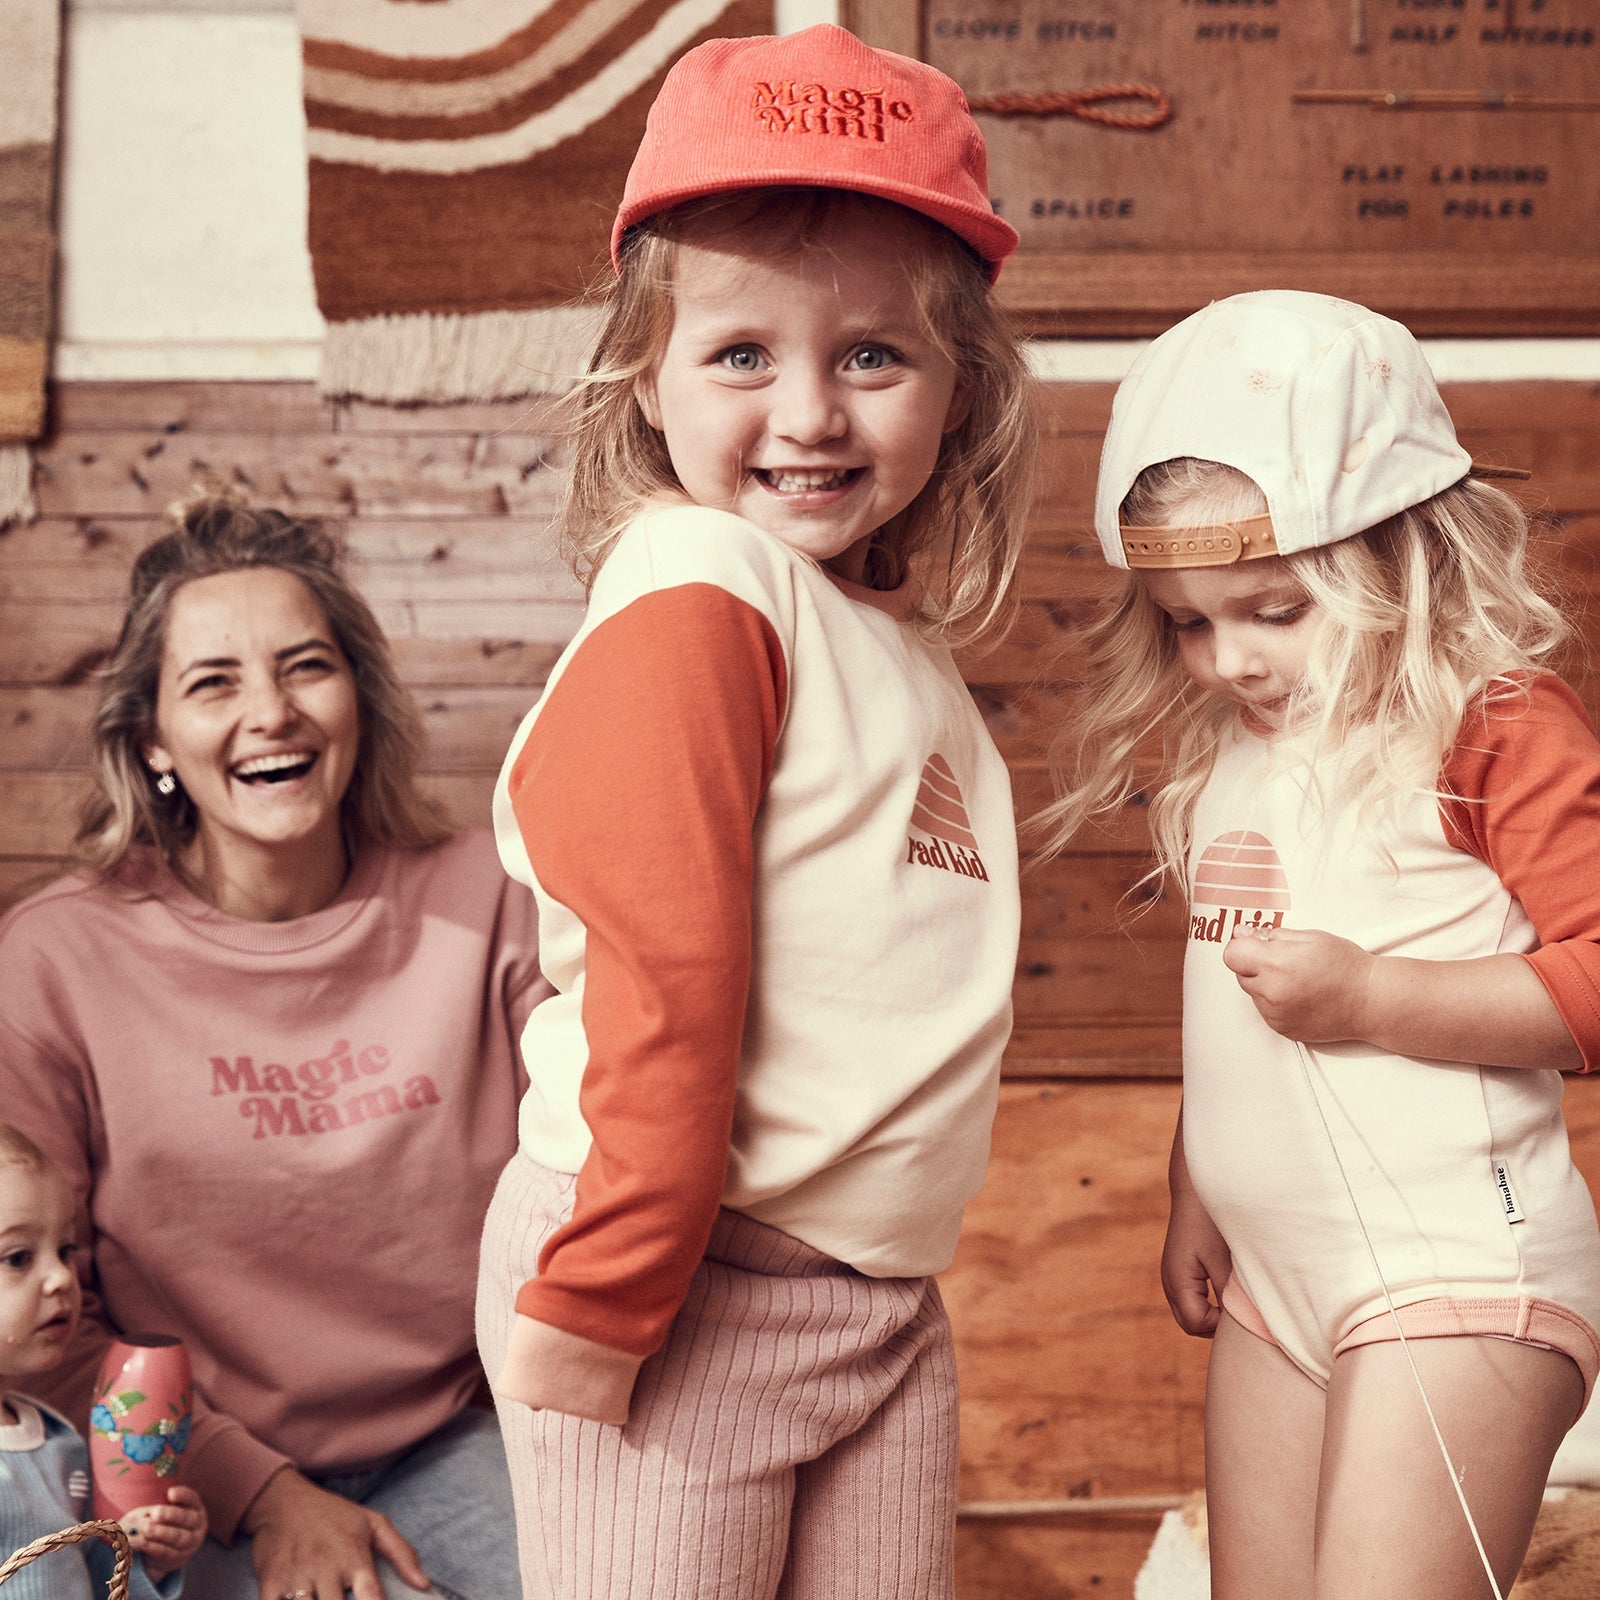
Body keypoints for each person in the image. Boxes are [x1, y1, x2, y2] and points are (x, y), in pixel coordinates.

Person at [475, 24, 1035, 1600]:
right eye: (743, 355)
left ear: (957, 388)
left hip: (871, 1299)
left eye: (872, 354)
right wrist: (608, 1294)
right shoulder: (697, 589)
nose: (809, 413)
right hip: (674, 1277)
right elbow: (670, 971)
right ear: (645, 384)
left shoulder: (883, 637)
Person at [1040, 289, 1600, 1599]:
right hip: (1272, 1286)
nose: (1228, 657)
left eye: (1274, 610)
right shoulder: (1229, 756)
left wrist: (1371, 999)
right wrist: (1196, 1187)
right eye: (1187, 619)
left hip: (1456, 1265)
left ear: (1401, 555)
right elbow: (1232, 1004)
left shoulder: (1490, 719)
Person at [0, 493, 551, 1600]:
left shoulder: (489, 898)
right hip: (181, 1465)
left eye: (306, 666)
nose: (272, 713)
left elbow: (611, 1155)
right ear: (154, 738)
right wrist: (265, 1494)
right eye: (213, 682)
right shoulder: (58, 958)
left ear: (359, 698)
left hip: (457, 1431)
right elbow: (32, 1307)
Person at [0, 1123, 207, 1597]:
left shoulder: (58, 1441)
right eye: (17, 1257)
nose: (60, 1278)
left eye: (65, 1250)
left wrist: (140, 1544)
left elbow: (91, 1576)